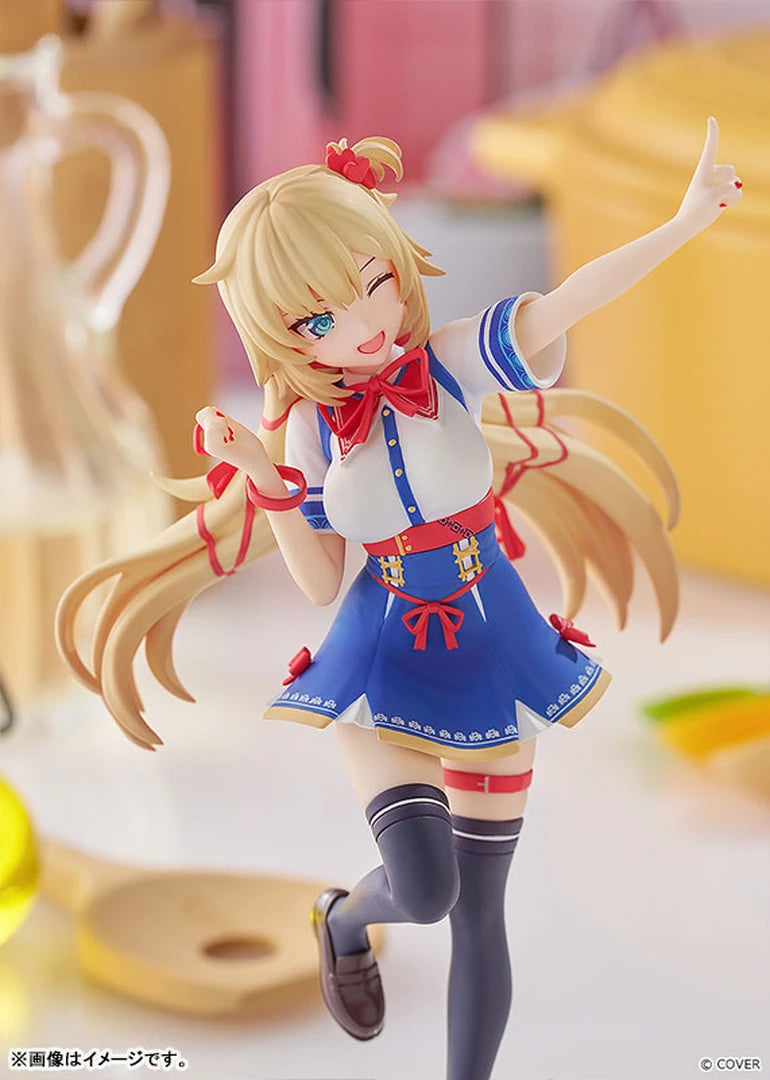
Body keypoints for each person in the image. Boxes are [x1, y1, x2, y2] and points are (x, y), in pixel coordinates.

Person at [56, 121, 740, 1080]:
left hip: (494, 646)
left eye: (374, 282)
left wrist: (683, 221)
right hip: (378, 658)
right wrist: (262, 476)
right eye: (318, 320)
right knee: (424, 892)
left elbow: (570, 300)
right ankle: (344, 919)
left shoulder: (453, 361)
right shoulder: (309, 427)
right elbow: (318, 580)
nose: (365, 323)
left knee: (480, 914)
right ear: (279, 335)